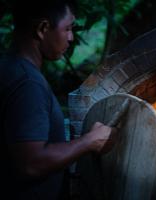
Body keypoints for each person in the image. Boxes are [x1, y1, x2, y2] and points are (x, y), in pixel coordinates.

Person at [0, 0, 116, 199]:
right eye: (68, 28)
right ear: (43, 28)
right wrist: (90, 141)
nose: (71, 37)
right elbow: (32, 163)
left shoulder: (9, 67)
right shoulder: (28, 84)